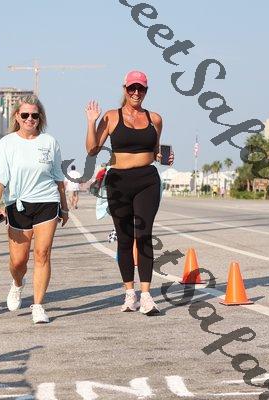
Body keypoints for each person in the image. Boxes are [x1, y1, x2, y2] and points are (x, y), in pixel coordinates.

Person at [85, 70, 173, 315]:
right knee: (124, 239)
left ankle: (146, 295)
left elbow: (155, 151)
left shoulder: (155, 119)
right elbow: (92, 149)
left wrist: (163, 158)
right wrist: (91, 122)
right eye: (132, 88)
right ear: (124, 89)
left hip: (147, 180)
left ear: (146, 91)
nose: (136, 92)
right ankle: (129, 293)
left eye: (140, 88)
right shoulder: (111, 117)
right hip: (119, 182)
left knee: (143, 235)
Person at [0, 95, 69, 324]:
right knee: (18, 261)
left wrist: (64, 208)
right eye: (25, 115)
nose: (30, 119)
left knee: (42, 254)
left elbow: (58, 178)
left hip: (47, 202)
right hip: (17, 204)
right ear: (17, 116)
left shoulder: (49, 142)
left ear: (40, 118)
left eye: (34, 115)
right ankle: (17, 283)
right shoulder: (7, 143)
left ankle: (38, 305)